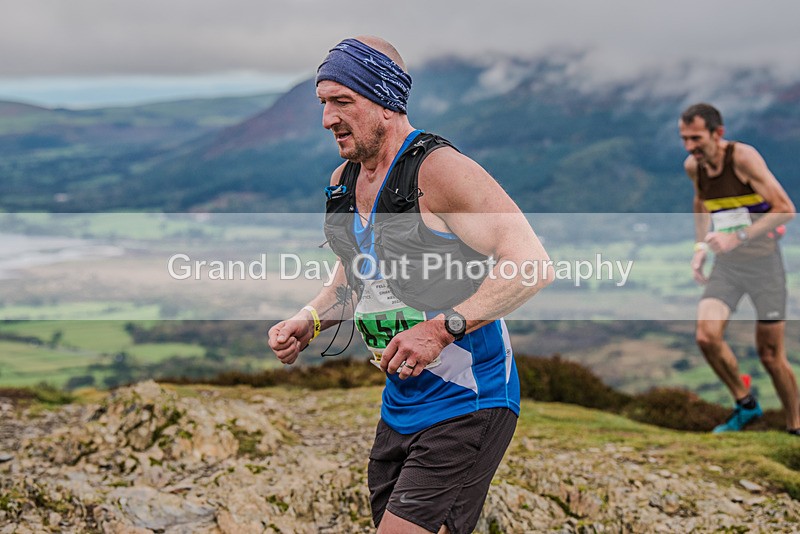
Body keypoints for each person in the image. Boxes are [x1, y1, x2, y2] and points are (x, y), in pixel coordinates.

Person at [268, 36, 552, 533]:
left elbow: (531, 263)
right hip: (401, 404)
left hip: (469, 399)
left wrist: (440, 330)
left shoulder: (439, 171)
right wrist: (309, 320)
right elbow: (355, 275)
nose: (327, 119)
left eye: (342, 101)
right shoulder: (344, 179)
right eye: (323, 103)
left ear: (385, 100)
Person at [679, 102, 799, 435]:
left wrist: (738, 237)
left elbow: (785, 209)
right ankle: (746, 405)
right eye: (684, 138)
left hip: (764, 265)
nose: (689, 147)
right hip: (728, 267)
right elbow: (701, 203)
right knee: (706, 336)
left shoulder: (743, 158)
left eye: (696, 138)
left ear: (718, 133)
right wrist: (700, 248)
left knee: (770, 355)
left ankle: (795, 428)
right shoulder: (694, 167)